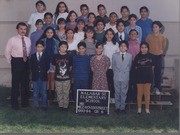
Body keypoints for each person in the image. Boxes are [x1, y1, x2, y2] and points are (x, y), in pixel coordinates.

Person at [5, 22, 31, 110]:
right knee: (15, 83)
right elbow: (7, 51)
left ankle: (25, 103)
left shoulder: (28, 40)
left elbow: (29, 51)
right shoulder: (12, 40)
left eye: (24, 29)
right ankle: (14, 104)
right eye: (21, 29)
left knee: (25, 83)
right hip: (16, 61)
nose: (23, 31)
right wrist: (11, 61)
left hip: (26, 61)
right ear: (17, 30)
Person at [38, 27, 60, 100]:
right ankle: (47, 92)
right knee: (46, 79)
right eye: (48, 32)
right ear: (45, 33)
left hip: (53, 62)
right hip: (45, 62)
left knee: (52, 78)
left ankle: (52, 93)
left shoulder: (56, 41)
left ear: (53, 33)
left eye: (51, 32)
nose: (49, 34)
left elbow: (58, 52)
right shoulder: (42, 41)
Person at [146, 21, 167, 95]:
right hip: (150, 56)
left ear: (160, 28)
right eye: (153, 27)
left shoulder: (163, 37)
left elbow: (163, 48)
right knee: (150, 73)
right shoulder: (149, 37)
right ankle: (150, 88)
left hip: (159, 56)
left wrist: (160, 52)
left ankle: (157, 88)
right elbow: (147, 47)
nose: (154, 28)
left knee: (158, 72)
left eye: (156, 27)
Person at [112, 40, 132, 114]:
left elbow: (129, 67)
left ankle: (122, 107)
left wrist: (125, 73)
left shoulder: (129, 56)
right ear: (119, 47)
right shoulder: (115, 55)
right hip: (117, 76)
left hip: (125, 76)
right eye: (121, 46)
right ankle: (117, 107)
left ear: (127, 48)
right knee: (117, 92)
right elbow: (113, 66)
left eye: (124, 46)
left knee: (124, 92)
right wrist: (116, 73)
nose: (123, 47)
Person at [134, 42, 154, 114]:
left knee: (147, 94)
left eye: (145, 47)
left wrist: (152, 77)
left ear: (148, 48)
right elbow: (135, 67)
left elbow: (153, 67)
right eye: (142, 47)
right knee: (139, 93)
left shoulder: (151, 56)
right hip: (139, 78)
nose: (144, 49)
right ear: (140, 48)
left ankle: (147, 109)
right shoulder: (137, 57)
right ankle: (139, 108)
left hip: (148, 78)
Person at [53, 41, 73, 111]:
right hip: (58, 78)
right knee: (59, 92)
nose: (63, 48)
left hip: (66, 78)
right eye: (62, 46)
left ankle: (65, 106)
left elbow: (70, 67)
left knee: (66, 92)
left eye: (65, 47)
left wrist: (66, 74)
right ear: (59, 47)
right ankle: (60, 105)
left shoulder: (69, 56)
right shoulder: (55, 56)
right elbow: (54, 67)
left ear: (67, 48)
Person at [30, 41, 50, 111]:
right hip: (35, 77)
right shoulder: (32, 56)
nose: (39, 48)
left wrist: (43, 71)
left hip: (43, 77)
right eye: (38, 47)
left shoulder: (46, 56)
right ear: (35, 47)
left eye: (41, 47)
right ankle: (36, 105)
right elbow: (31, 66)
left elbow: (47, 66)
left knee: (43, 92)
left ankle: (44, 105)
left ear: (43, 48)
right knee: (35, 92)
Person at [103, 28, 119, 100]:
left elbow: (118, 55)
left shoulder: (116, 44)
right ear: (105, 35)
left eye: (111, 34)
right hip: (104, 67)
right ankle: (106, 98)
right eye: (107, 34)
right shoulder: (103, 44)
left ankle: (112, 97)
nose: (109, 35)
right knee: (105, 83)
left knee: (113, 82)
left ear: (113, 35)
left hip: (114, 67)